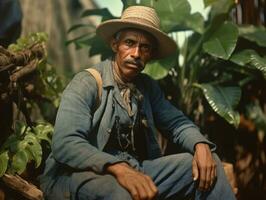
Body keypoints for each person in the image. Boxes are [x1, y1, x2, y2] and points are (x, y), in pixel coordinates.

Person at [40, 5, 236, 200]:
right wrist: (119, 169)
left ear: (150, 55)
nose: (136, 53)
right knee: (121, 194)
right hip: (77, 175)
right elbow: (66, 143)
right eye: (129, 43)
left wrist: (200, 145)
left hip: (135, 170)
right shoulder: (88, 82)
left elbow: (177, 123)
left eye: (145, 47)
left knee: (211, 164)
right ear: (115, 45)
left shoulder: (147, 87)